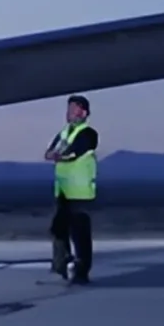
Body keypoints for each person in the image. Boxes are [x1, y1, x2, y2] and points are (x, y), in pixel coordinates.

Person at [44, 95, 97, 284]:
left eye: (73, 109)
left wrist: (59, 155)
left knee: (80, 233)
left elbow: (72, 154)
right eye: (68, 109)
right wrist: (56, 155)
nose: (69, 113)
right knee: (58, 228)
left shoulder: (88, 134)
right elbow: (50, 153)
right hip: (64, 190)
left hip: (80, 192)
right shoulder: (64, 133)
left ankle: (81, 271)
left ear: (83, 112)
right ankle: (61, 265)